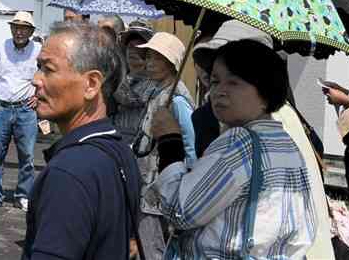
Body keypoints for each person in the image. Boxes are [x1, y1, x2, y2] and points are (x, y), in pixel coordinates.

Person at [151, 40, 317, 259]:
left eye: (234, 82)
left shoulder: (240, 142)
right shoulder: (286, 144)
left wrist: (169, 140)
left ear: (265, 91)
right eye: (215, 81)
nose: (219, 91)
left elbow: (181, 211)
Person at [192, 20, 333, 259]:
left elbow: (191, 206)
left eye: (235, 76)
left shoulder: (246, 125)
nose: (220, 89)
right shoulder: (282, 112)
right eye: (217, 77)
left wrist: (169, 143)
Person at [22, 22, 141, 260]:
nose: (36, 79)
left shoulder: (69, 171)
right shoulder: (120, 150)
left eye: (48, 69)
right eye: (38, 67)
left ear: (91, 84)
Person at [131, 31, 196, 260]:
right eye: (148, 56)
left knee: (155, 248)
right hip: (148, 182)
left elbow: (191, 147)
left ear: (170, 63)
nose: (148, 62)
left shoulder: (177, 101)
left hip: (161, 187)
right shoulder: (157, 93)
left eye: (155, 58)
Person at [0, 11, 41, 212]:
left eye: (24, 28)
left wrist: (40, 95)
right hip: (2, 107)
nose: (19, 31)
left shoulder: (39, 50)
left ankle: (23, 194)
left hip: (26, 108)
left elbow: (47, 75)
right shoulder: (0, 47)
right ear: (11, 28)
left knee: (28, 156)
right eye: (16, 27)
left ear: (31, 31)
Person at [112, 20, 157, 144]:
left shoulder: (157, 83)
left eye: (139, 46)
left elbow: (130, 99)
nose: (132, 50)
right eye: (129, 46)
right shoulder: (120, 80)